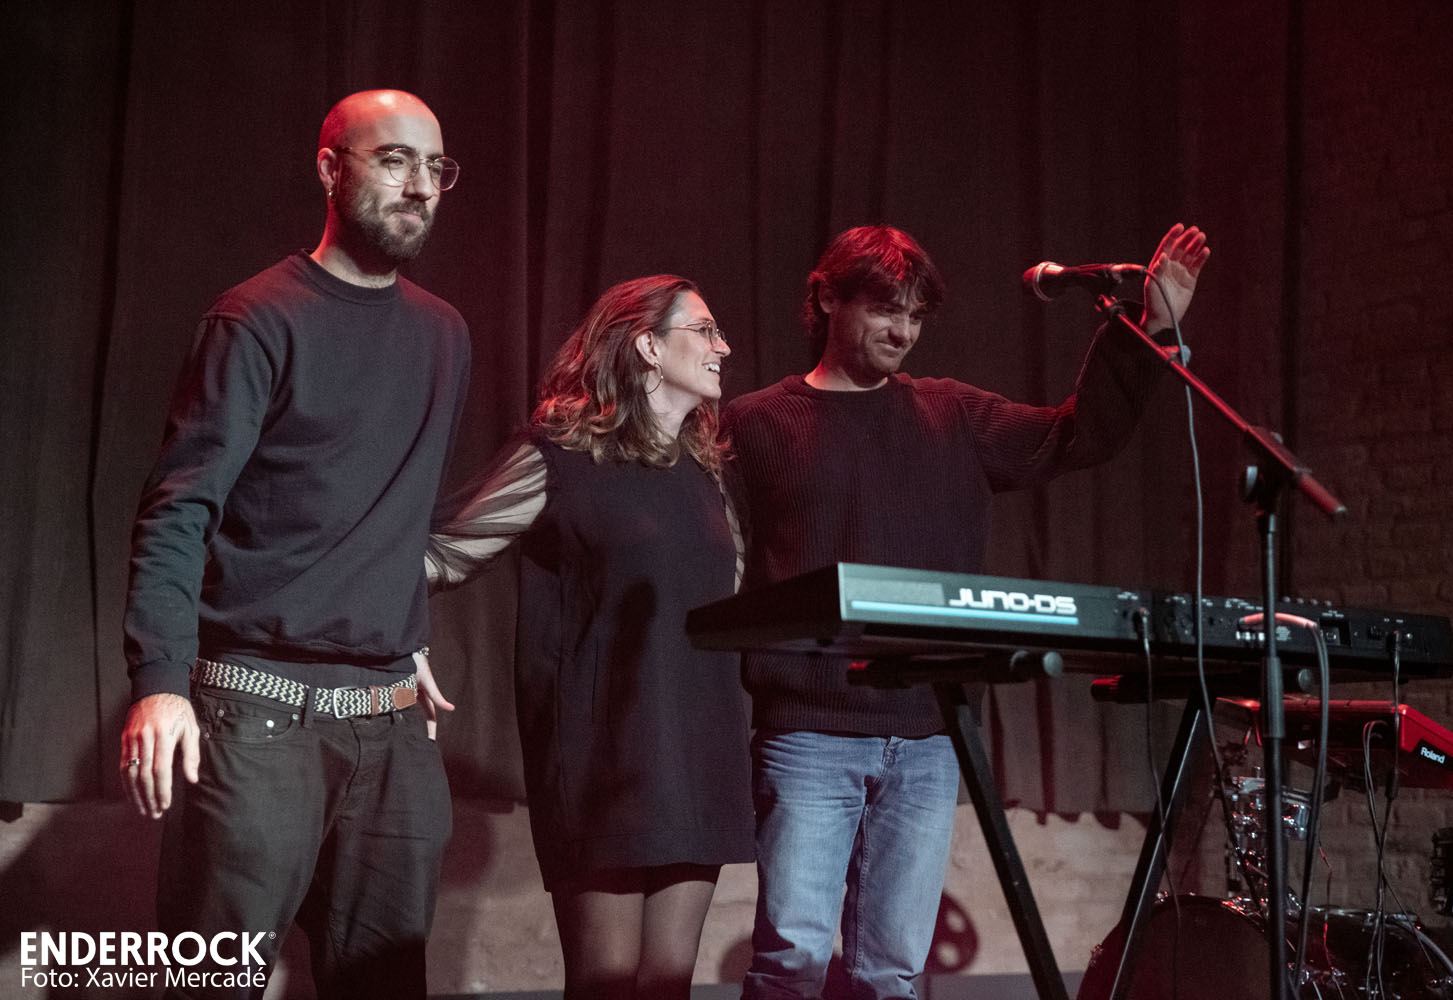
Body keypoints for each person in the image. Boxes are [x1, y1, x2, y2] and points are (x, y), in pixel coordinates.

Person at [722, 223, 1210, 1000]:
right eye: (886, 310)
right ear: (827, 298)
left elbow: (1075, 436)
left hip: (927, 734)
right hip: (809, 731)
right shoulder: (754, 423)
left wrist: (1151, 330)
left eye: (916, 316)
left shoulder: (951, 413)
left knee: (892, 971)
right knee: (793, 962)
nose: (903, 332)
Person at [120, 89, 468, 998]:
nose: (419, 185)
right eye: (394, 159)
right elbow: (179, 510)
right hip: (257, 716)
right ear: (329, 169)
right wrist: (160, 684)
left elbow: (384, 505)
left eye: (435, 167)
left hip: (390, 724)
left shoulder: (444, 333)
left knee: (384, 984)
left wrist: (397, 620)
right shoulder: (256, 318)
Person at [426, 275, 754, 999]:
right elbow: (441, 553)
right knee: (606, 984)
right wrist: (393, 637)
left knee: (667, 984)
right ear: (647, 345)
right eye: (704, 330)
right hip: (604, 755)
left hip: (699, 746)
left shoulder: (705, 468)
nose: (723, 346)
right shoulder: (562, 454)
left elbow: (728, 595)